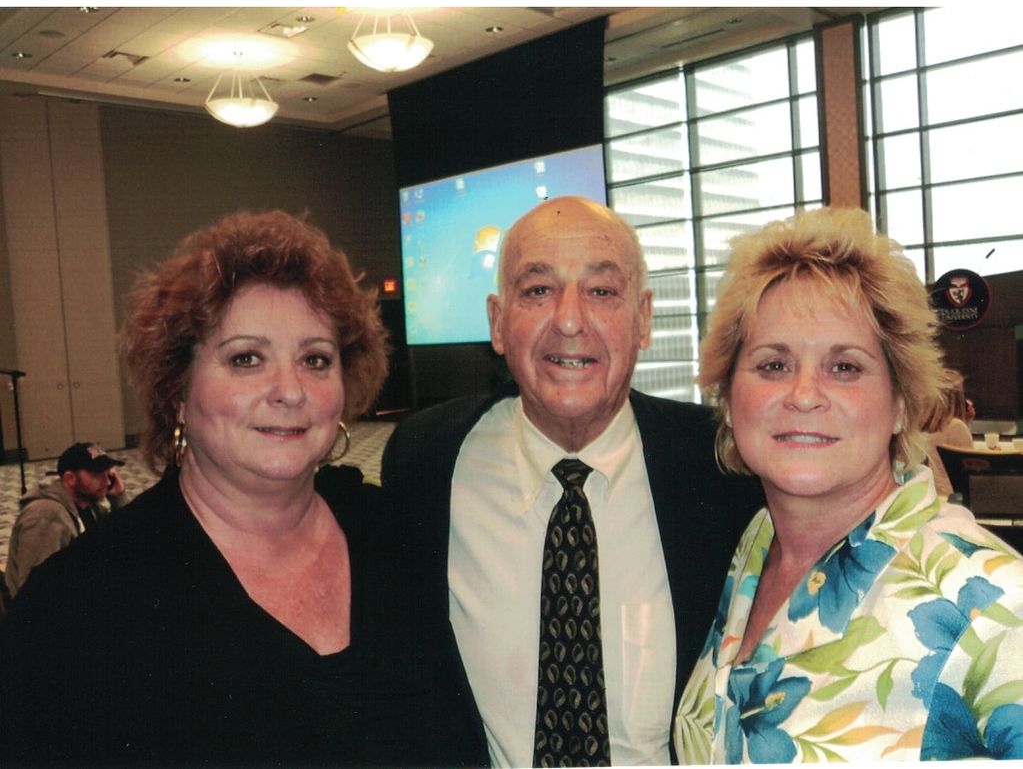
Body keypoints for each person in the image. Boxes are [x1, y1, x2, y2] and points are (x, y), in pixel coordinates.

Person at [0, 210, 475, 766]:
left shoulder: (399, 535)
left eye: (315, 359)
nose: (290, 391)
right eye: (246, 359)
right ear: (177, 390)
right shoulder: (79, 604)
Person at [382, 196, 765, 766]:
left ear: (643, 319)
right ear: (497, 321)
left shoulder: (723, 463)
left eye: (601, 292)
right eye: (537, 290)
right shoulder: (426, 458)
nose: (567, 318)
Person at [673, 207, 1023, 763]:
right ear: (730, 401)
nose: (805, 394)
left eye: (845, 367)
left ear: (900, 405)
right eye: (772, 365)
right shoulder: (754, 548)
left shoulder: (993, 605)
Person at [4, 441, 126, 598]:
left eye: (107, 474)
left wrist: (118, 497)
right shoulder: (46, 515)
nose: (108, 482)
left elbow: (126, 539)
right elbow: (35, 592)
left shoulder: (88, 504)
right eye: (96, 475)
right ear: (70, 478)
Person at [923, 369, 974, 497]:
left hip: (931, 494)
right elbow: (970, 469)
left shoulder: (924, 427)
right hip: (952, 496)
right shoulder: (956, 427)